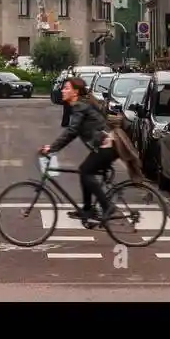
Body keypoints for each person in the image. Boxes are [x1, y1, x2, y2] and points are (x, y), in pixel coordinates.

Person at [40, 77, 117, 227]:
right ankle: (88, 209)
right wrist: (54, 147)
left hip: (108, 146)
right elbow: (73, 132)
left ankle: (108, 206)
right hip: (105, 145)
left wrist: (52, 148)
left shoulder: (80, 106)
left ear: (75, 92)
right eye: (63, 88)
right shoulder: (80, 105)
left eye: (67, 88)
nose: (63, 90)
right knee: (84, 171)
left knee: (86, 172)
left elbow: (72, 131)